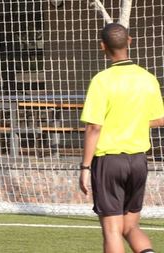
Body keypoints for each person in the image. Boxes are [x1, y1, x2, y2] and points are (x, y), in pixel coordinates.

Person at [79, 23, 163, 253]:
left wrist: (85, 167)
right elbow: (160, 118)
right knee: (130, 227)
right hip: (138, 160)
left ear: (102, 46)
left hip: (109, 161)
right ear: (130, 41)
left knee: (113, 230)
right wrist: (132, 122)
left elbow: (94, 127)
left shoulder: (101, 81)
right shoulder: (148, 78)